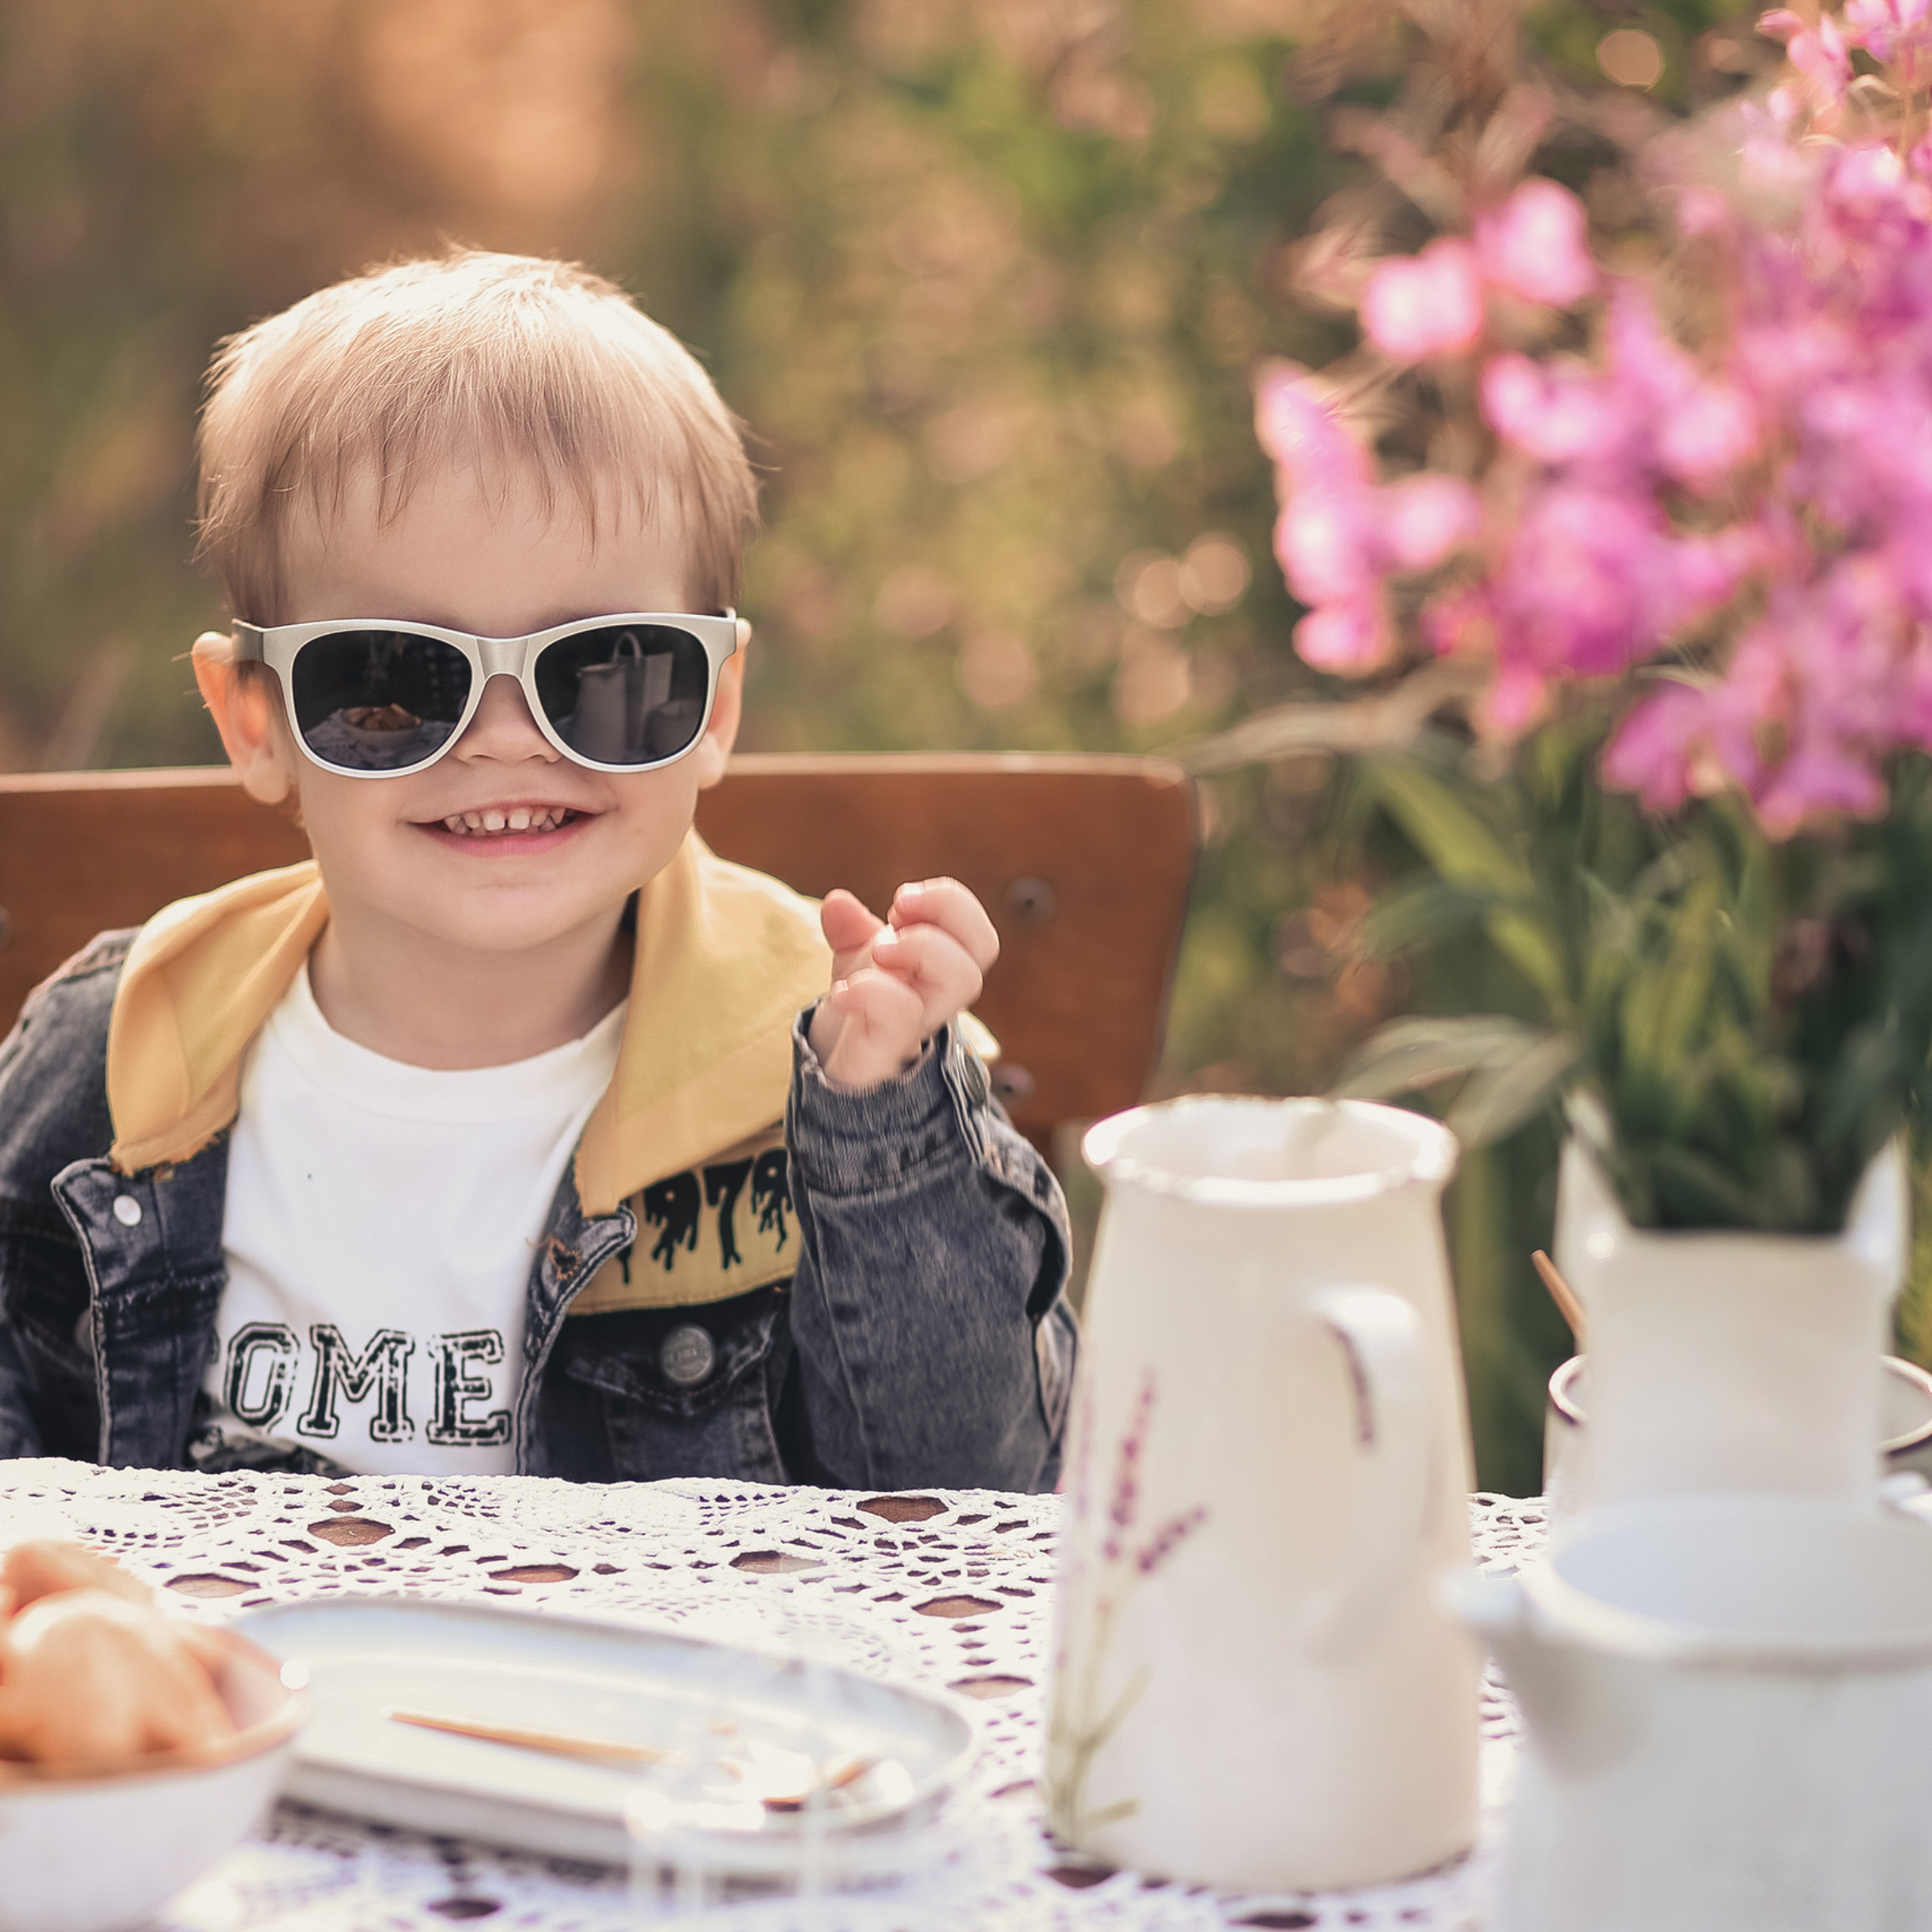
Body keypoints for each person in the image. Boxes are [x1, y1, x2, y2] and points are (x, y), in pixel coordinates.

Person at [0, 251, 1075, 1488]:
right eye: (394, 679)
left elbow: (970, 1492)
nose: (505, 738)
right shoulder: (122, 1053)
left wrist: (884, 1135)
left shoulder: (817, 1066)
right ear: (256, 721)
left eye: (606, 668)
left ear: (715, 704)